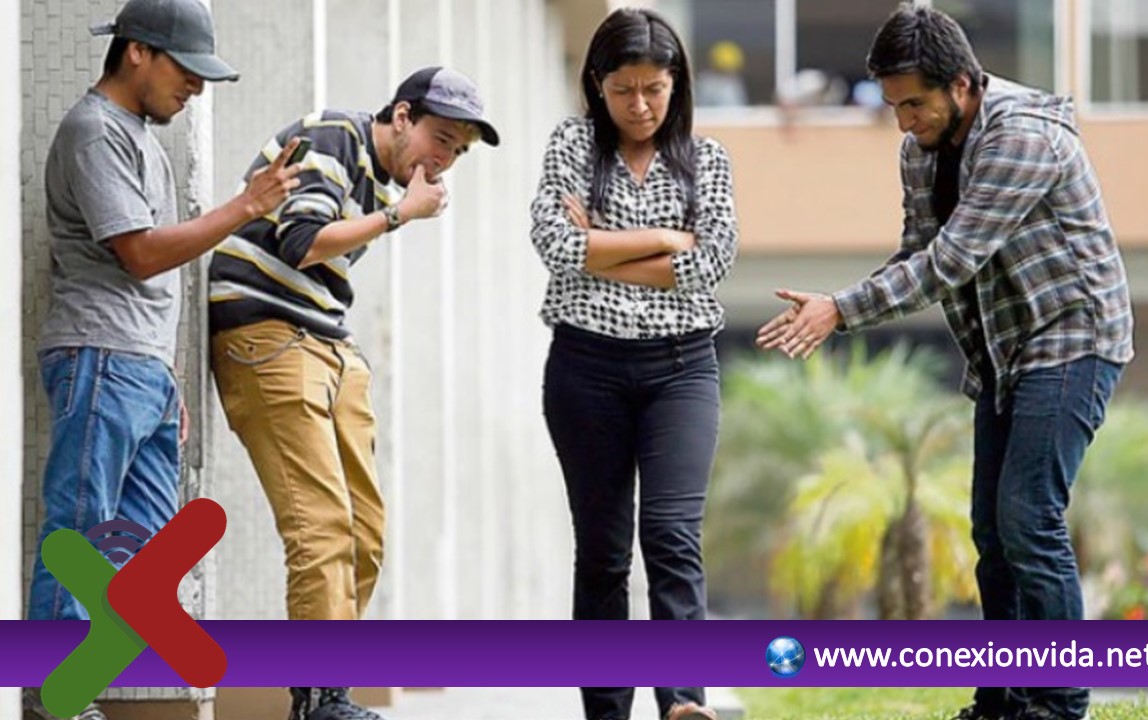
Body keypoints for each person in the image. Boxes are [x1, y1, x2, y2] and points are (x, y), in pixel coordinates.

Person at [756, 6, 1133, 720]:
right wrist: (837, 305)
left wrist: (842, 309)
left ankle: (1060, 704)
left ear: (962, 84)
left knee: (1029, 517)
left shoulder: (1023, 137)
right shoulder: (921, 149)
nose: (903, 122)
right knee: (991, 533)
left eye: (914, 104)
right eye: (893, 105)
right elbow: (916, 253)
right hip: (1003, 352)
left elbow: (951, 261)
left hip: (1074, 336)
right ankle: (1003, 700)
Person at [26, 0, 297, 718]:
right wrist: (245, 207)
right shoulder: (94, 131)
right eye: (187, 70)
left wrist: (167, 375)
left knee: (143, 561)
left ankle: (70, 690)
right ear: (137, 51)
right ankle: (52, 697)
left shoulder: (140, 136)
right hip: (100, 355)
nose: (196, 87)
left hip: (141, 368)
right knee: (80, 528)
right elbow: (141, 254)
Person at [206, 66, 498, 720]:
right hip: (268, 334)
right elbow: (301, 242)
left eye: (457, 151)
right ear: (402, 115)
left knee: (364, 530)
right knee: (321, 526)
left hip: (327, 340)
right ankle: (321, 697)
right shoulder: (334, 135)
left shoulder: (378, 174)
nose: (443, 160)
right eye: (439, 138)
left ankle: (325, 689)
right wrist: (397, 215)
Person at [530, 8, 738, 720]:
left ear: (677, 84)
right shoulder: (571, 144)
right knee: (603, 552)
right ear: (598, 84)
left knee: (672, 537)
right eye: (624, 90)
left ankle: (682, 703)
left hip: (682, 370)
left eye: (654, 88)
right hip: (585, 370)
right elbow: (557, 247)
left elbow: (711, 263)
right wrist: (668, 239)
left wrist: (604, 246)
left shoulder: (708, 160)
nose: (641, 105)